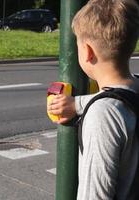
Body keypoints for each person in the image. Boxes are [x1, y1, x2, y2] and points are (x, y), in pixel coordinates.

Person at [47, 0, 139, 199]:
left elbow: (95, 194)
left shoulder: (102, 116)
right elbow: (122, 96)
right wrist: (78, 104)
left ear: (88, 52)